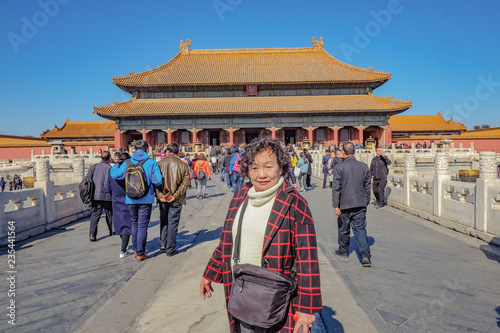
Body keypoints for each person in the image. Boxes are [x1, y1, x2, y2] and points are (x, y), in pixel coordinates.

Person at [200, 138, 322, 333]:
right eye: (254, 168)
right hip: (241, 290)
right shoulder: (241, 195)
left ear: (281, 168)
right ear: (247, 170)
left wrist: (307, 308)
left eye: (268, 166)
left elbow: (307, 259)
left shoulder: (294, 202)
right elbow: (227, 240)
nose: (261, 174)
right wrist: (210, 274)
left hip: (276, 296)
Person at [110, 140, 163, 261]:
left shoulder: (128, 162)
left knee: (134, 223)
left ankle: (135, 249)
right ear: (147, 150)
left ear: (133, 149)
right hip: (146, 198)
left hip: (131, 198)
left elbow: (115, 175)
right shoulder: (151, 163)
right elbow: (158, 181)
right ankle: (140, 252)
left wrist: (117, 163)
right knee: (143, 226)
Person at [332, 142, 372, 267]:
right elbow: (367, 185)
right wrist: (366, 200)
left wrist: (336, 205)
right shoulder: (364, 166)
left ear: (343, 153)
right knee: (360, 229)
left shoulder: (339, 167)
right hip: (360, 203)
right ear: (354, 151)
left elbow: (336, 188)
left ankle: (343, 251)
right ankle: (365, 255)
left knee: (344, 229)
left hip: (344, 204)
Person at [156, 143, 191, 257]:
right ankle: (170, 249)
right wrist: (175, 195)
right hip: (176, 199)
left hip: (163, 198)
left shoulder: (159, 163)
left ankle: (163, 243)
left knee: (164, 220)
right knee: (173, 222)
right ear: (177, 152)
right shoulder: (183, 164)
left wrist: (160, 195)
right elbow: (186, 182)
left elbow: (155, 182)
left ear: (167, 152)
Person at [109, 152, 133, 258]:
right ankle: (123, 250)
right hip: (127, 200)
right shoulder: (128, 172)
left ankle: (124, 248)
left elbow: (107, 187)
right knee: (127, 226)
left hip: (115, 201)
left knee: (119, 224)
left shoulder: (111, 171)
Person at [88, 151, 113, 242]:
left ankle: (92, 234)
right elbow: (110, 182)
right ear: (109, 158)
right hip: (107, 195)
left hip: (95, 195)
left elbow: (87, 179)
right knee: (109, 213)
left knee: (95, 215)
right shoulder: (109, 168)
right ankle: (111, 230)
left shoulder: (94, 167)